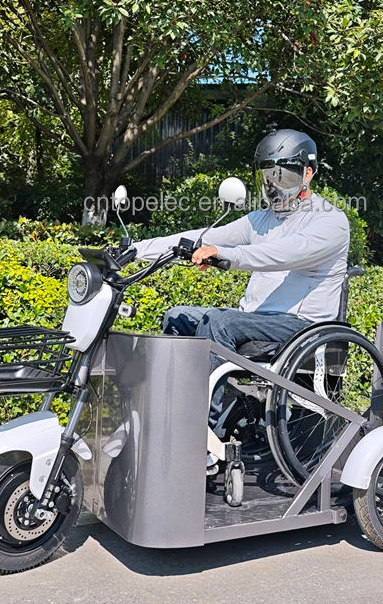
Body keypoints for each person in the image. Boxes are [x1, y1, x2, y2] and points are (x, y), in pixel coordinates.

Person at [131, 127, 350, 467]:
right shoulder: (260, 219)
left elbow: (283, 254)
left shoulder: (330, 221)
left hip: (302, 326)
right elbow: (203, 236)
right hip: (258, 321)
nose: (275, 185)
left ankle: (204, 439)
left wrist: (227, 256)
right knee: (178, 316)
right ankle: (173, 415)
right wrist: (135, 251)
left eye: (285, 176)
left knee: (218, 322)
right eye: (268, 175)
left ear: (308, 173)